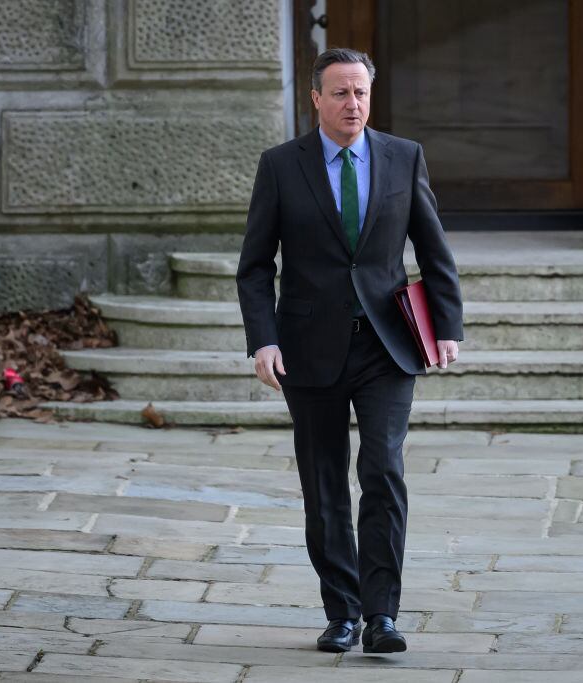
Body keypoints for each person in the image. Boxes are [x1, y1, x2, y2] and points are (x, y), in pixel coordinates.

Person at [236, 47, 463, 654]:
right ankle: (342, 612)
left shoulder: (403, 157)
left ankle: (382, 617)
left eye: (360, 92)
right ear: (316, 98)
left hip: (387, 347)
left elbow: (433, 249)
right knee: (325, 482)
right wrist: (263, 339)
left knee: (383, 472)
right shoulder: (283, 166)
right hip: (308, 348)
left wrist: (448, 325)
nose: (352, 103)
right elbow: (255, 267)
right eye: (339, 92)